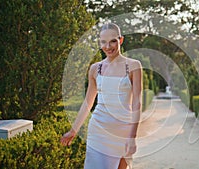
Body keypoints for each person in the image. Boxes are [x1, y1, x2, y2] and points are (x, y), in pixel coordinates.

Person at [60, 23, 143, 169]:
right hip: (98, 130)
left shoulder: (134, 66)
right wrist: (73, 130)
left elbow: (137, 104)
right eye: (103, 42)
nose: (108, 46)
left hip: (122, 132)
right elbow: (88, 103)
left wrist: (132, 137)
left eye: (113, 41)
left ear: (121, 40)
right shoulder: (94, 69)